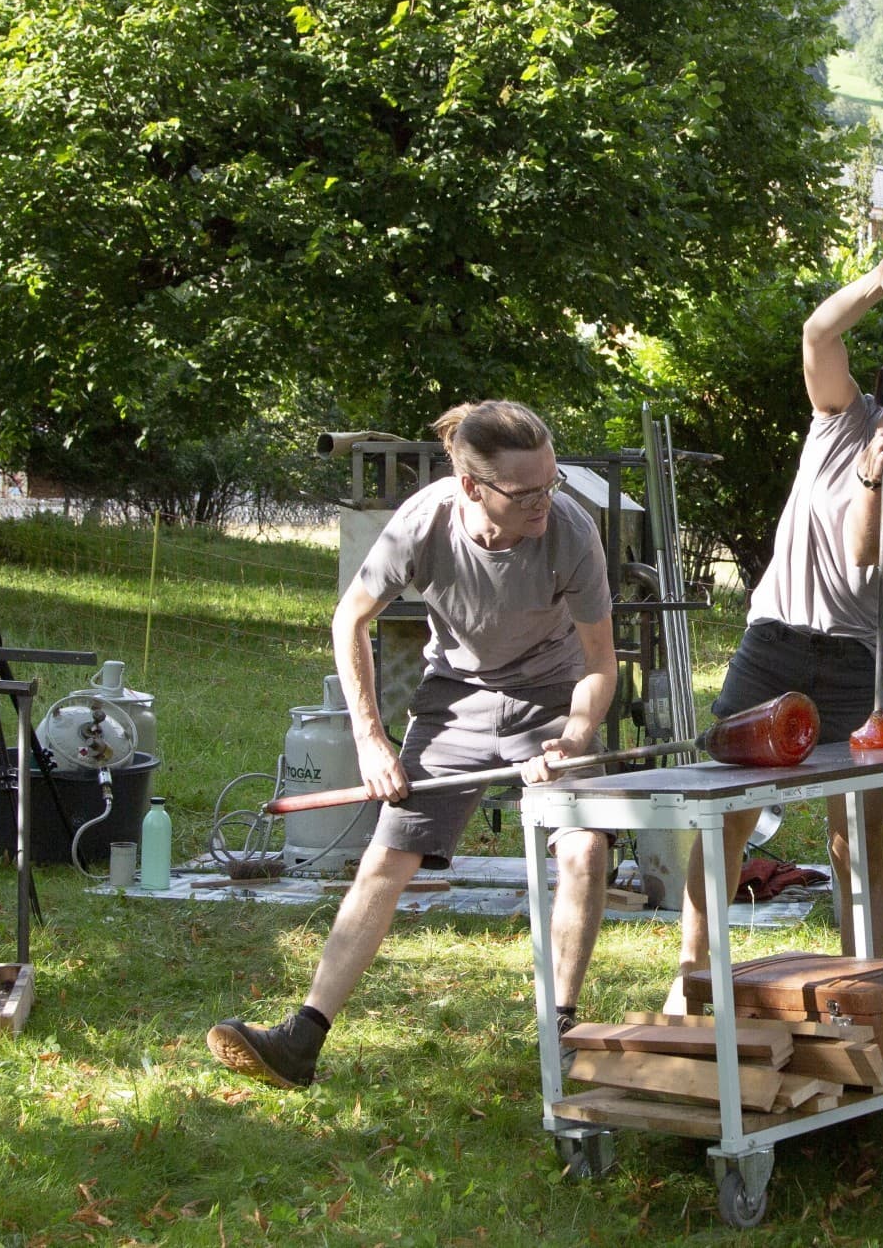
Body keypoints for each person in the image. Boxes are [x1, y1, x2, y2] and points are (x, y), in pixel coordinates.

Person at [207, 400, 619, 1088]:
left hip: (553, 698)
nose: (544, 502)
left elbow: (600, 662)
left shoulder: (570, 530)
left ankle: (560, 1031)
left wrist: (574, 738)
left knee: (584, 848)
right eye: (526, 493)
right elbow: (350, 619)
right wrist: (371, 741)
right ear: (472, 487)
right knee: (387, 859)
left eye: (551, 483)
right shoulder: (424, 522)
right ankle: (301, 1040)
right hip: (454, 699)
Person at [665, 246, 883, 1012]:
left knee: (856, 836)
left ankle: (860, 987)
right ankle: (693, 980)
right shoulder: (842, 416)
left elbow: (866, 550)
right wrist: (876, 281)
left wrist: (873, 476)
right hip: (775, 640)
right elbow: (817, 333)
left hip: (855, 660)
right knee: (728, 813)